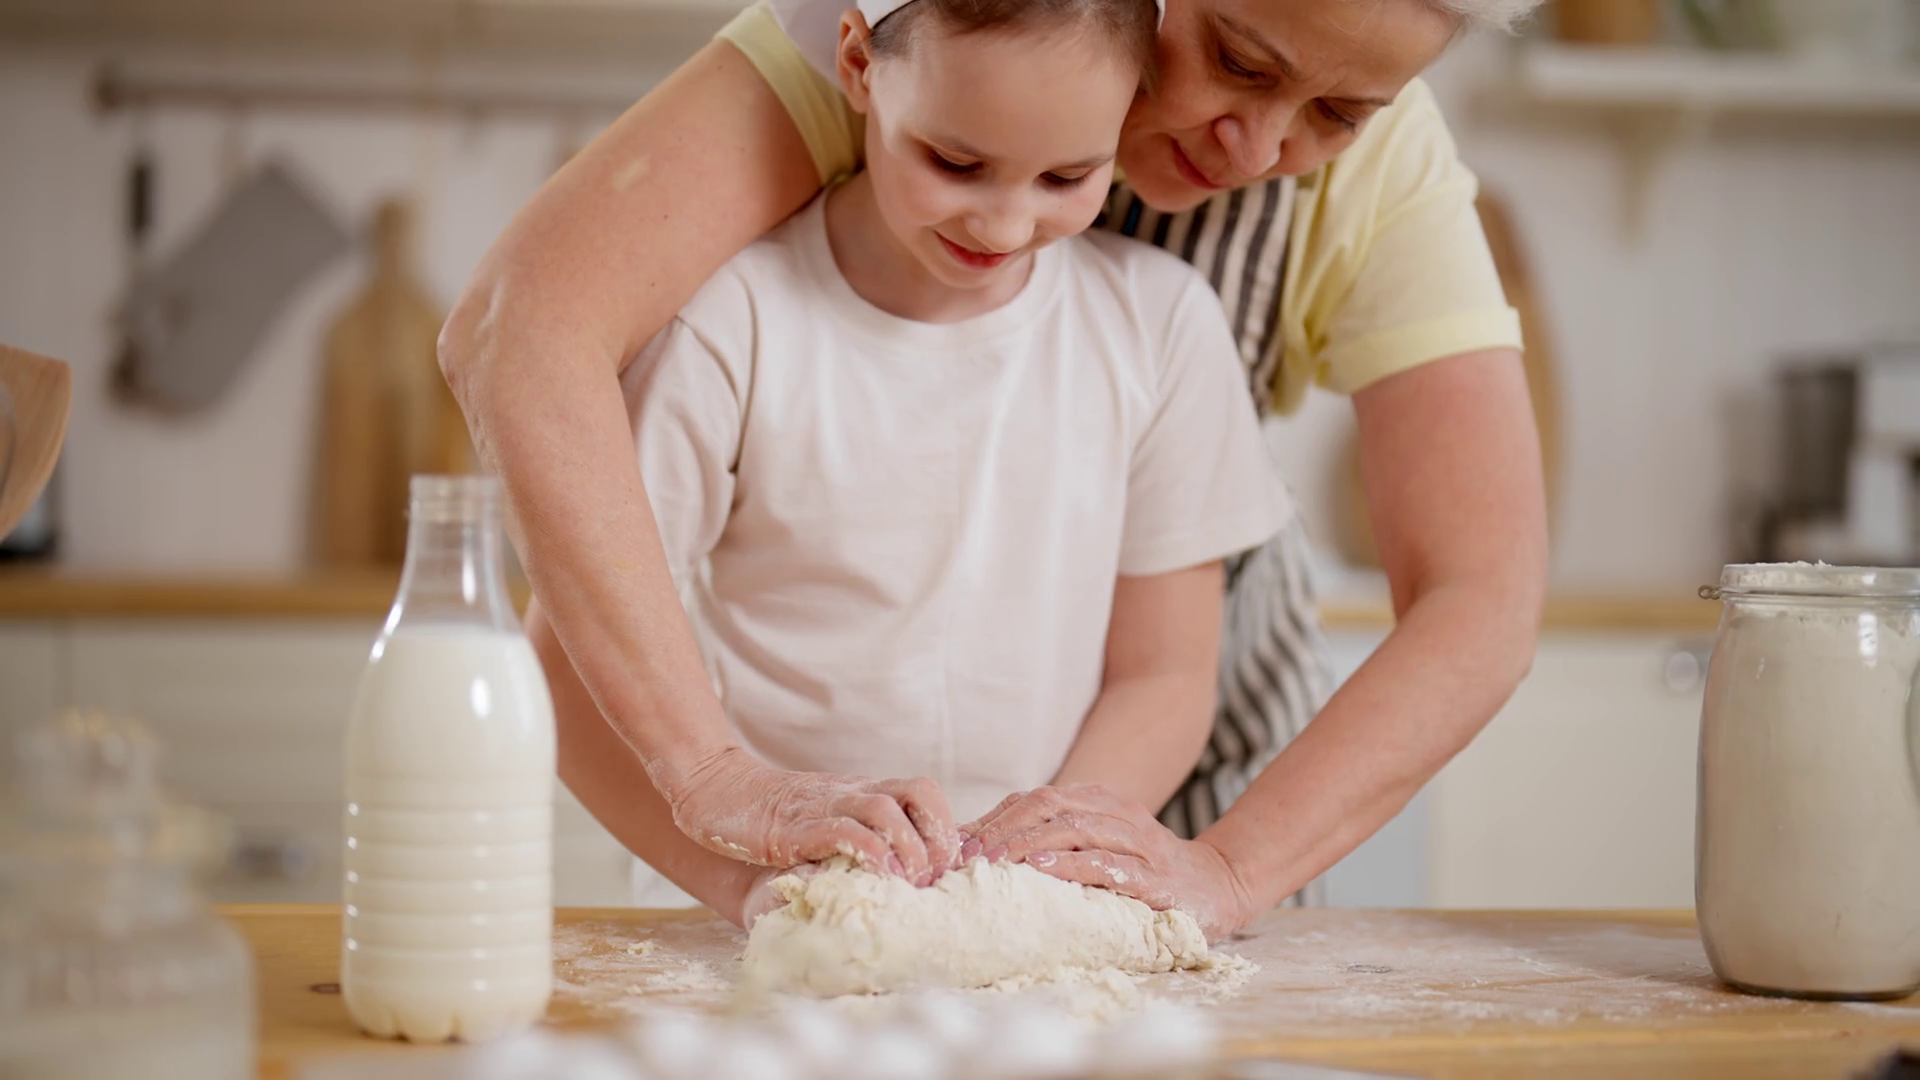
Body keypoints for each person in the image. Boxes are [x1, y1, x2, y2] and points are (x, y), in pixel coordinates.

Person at [440, 0, 1550, 938]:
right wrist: (716, 787)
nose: (1256, 150)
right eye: (1237, 61)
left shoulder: (1194, 309)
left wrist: (1227, 870)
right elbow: (523, 326)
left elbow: (1482, 592)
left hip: (1192, 793)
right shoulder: (920, 31)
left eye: (1338, 115)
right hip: (804, 859)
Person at [597, 0, 1286, 917]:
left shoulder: (1160, 329)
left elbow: (1163, 676)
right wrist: (756, 891)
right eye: (956, 163)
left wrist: (1029, 869)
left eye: (1068, 175)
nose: (1003, 227)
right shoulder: (732, 325)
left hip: (1030, 931)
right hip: (741, 933)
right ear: (857, 63)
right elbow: (574, 676)